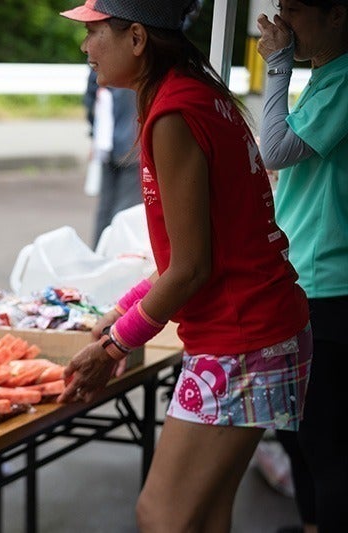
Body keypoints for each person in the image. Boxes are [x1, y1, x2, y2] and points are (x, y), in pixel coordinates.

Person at [57, 1, 313, 531]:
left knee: (162, 515)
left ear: (136, 38)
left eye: (95, 32)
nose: (85, 46)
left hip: (241, 340)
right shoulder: (195, 93)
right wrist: (123, 310)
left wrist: (114, 346)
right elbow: (193, 253)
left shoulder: (174, 112)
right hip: (261, 331)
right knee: (205, 517)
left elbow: (191, 269)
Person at [256, 1, 348, 531]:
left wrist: (277, 65)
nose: (283, 21)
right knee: (300, 434)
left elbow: (274, 149)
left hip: (327, 284)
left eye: (294, 9)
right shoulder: (327, 75)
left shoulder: (343, 81)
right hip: (306, 276)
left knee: (324, 441)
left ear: (336, 14)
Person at [83, 69, 142, 247]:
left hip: (105, 143)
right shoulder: (136, 64)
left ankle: (98, 253)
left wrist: (95, 136)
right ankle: (114, 255)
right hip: (132, 146)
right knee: (125, 209)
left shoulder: (99, 63)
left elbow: (90, 101)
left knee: (106, 207)